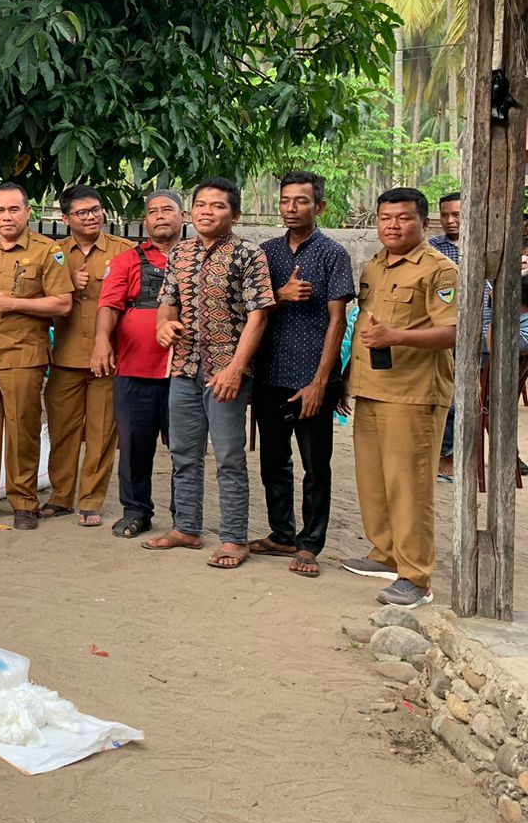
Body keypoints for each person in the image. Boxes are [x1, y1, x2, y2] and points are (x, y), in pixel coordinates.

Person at [145, 178, 273, 569]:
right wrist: (162, 327)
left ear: (234, 214)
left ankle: (235, 539)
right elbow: (167, 305)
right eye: (200, 204)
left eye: (217, 206)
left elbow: (260, 315)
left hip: (225, 372)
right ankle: (186, 528)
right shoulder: (179, 254)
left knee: (230, 458)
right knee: (184, 453)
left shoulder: (249, 254)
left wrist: (236, 369)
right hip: (184, 368)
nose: (206, 211)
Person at [342, 187, 459, 608]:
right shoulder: (374, 266)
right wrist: (345, 380)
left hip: (413, 394)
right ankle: (385, 553)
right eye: (385, 217)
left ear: (423, 223)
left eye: (403, 218)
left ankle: (415, 577)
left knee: (410, 486)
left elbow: (455, 332)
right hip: (371, 389)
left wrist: (397, 336)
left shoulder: (439, 270)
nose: (392, 225)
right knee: (373, 481)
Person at [250, 171, 355, 578]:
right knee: (274, 461)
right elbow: (252, 308)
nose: (291, 208)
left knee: (316, 465)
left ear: (320, 206)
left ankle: (310, 544)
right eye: (286, 201)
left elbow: (337, 321)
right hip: (270, 374)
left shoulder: (332, 254)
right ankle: (281, 534)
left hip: (311, 378)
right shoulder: (265, 253)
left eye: (302, 201)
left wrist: (320, 382)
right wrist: (280, 294)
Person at [0, 182, 72, 529]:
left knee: (22, 430)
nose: (6, 217)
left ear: (27, 212)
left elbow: (63, 303)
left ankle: (23, 502)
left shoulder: (46, 251)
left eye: (14, 209)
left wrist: (14, 304)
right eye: (0, 210)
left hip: (23, 356)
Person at [42, 185, 134, 526]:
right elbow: (38, 296)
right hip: (64, 356)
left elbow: (134, 300)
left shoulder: (124, 251)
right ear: (65, 218)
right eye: (82, 212)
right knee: (61, 431)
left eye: (96, 210)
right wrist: (66, 280)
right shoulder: (53, 253)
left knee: (101, 432)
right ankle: (60, 496)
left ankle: (91, 500)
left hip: (108, 357)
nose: (92, 216)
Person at [95, 189, 184, 538]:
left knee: (183, 448)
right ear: (145, 221)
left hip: (184, 371)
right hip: (134, 368)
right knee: (134, 445)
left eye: (167, 210)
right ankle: (136, 511)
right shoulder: (127, 260)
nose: (160, 216)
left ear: (183, 216)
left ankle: (185, 516)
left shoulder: (198, 257)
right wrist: (102, 340)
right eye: (152, 211)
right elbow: (109, 304)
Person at [429, 191, 462, 479]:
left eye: (457, 215)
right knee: (448, 400)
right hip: (442, 335)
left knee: (479, 400)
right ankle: (445, 457)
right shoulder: (433, 249)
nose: (450, 221)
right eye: (445, 215)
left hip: (481, 335)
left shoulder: (483, 246)